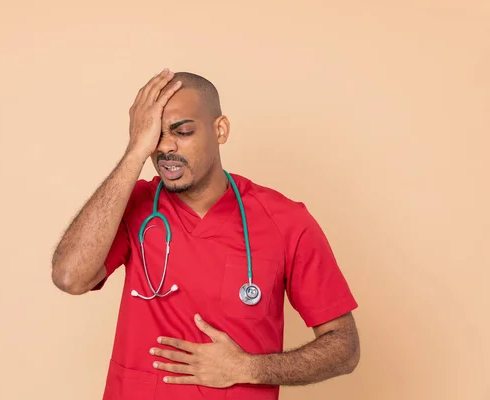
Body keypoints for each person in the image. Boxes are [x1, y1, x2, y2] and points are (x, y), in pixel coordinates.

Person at [51, 68, 360, 400]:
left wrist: (247, 368)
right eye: (154, 135)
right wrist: (134, 153)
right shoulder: (131, 207)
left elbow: (344, 347)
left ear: (220, 130)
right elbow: (70, 276)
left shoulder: (285, 220)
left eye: (182, 131)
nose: (165, 147)